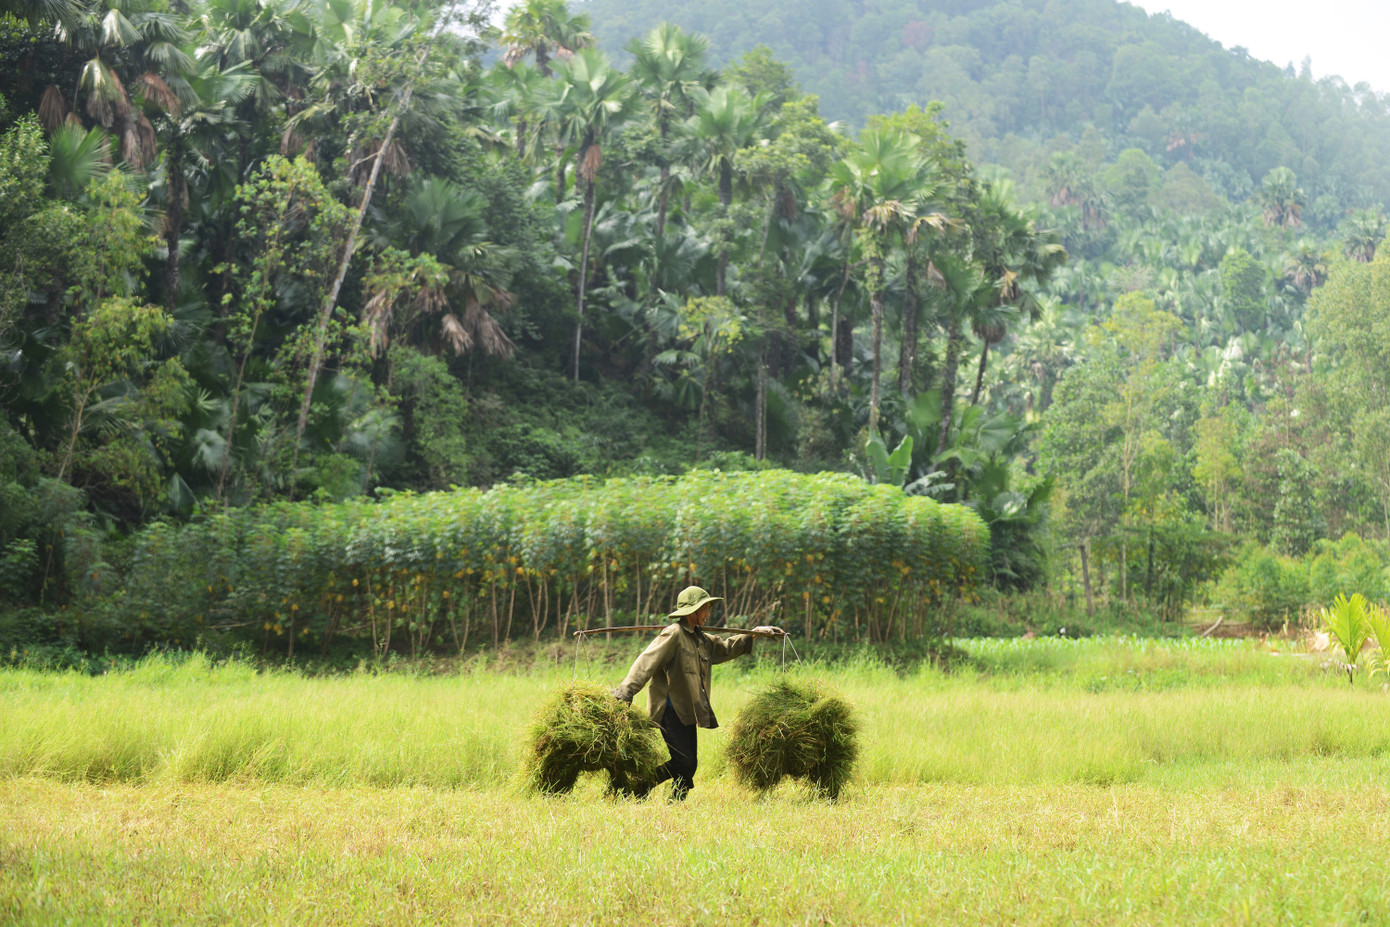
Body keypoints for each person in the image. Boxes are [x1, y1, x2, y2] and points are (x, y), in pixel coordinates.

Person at [611, 585, 782, 801]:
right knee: (684, 761)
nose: (708, 614)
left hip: (689, 710)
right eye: (705, 609)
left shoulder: (701, 639)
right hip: (670, 710)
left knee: (689, 764)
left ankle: (676, 803)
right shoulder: (673, 634)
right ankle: (642, 782)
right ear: (692, 611)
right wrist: (625, 693)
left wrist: (755, 634)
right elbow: (646, 662)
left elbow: (726, 648)